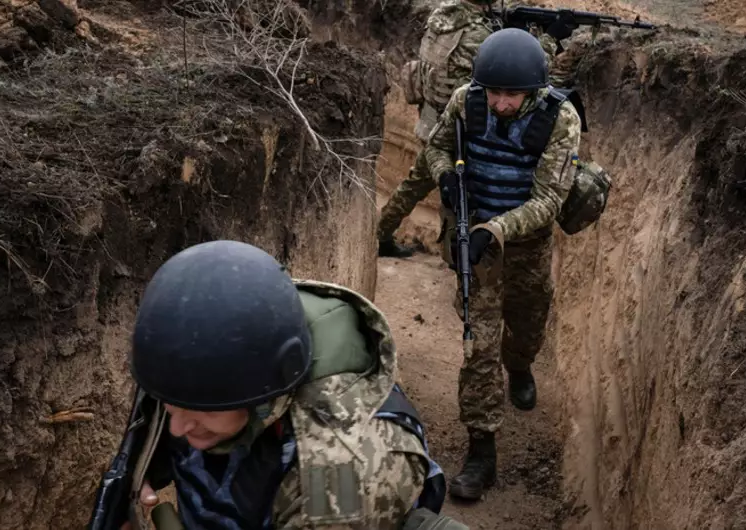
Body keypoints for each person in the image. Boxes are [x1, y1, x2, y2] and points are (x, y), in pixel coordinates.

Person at [120, 240, 461, 529]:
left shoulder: (337, 480)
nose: (177, 427)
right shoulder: (218, 349)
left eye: (200, 412)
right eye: (170, 406)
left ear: (264, 394)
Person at [423, 28, 582, 500]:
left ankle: (522, 365)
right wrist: (444, 179)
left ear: (532, 91)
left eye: (512, 95)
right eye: (494, 92)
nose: (500, 103)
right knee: (479, 344)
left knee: (529, 326)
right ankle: (482, 451)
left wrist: (493, 232)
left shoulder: (561, 119)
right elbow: (434, 147)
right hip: (478, 246)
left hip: (526, 245)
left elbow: (550, 199)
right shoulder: (465, 101)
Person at [378, 0, 579, 258]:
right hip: (468, 121)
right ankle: (452, 246)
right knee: (455, 190)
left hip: (433, 114)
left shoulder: (445, 17)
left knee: (414, 185)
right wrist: (550, 39)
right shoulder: (479, 36)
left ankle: (382, 233)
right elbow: (516, 72)